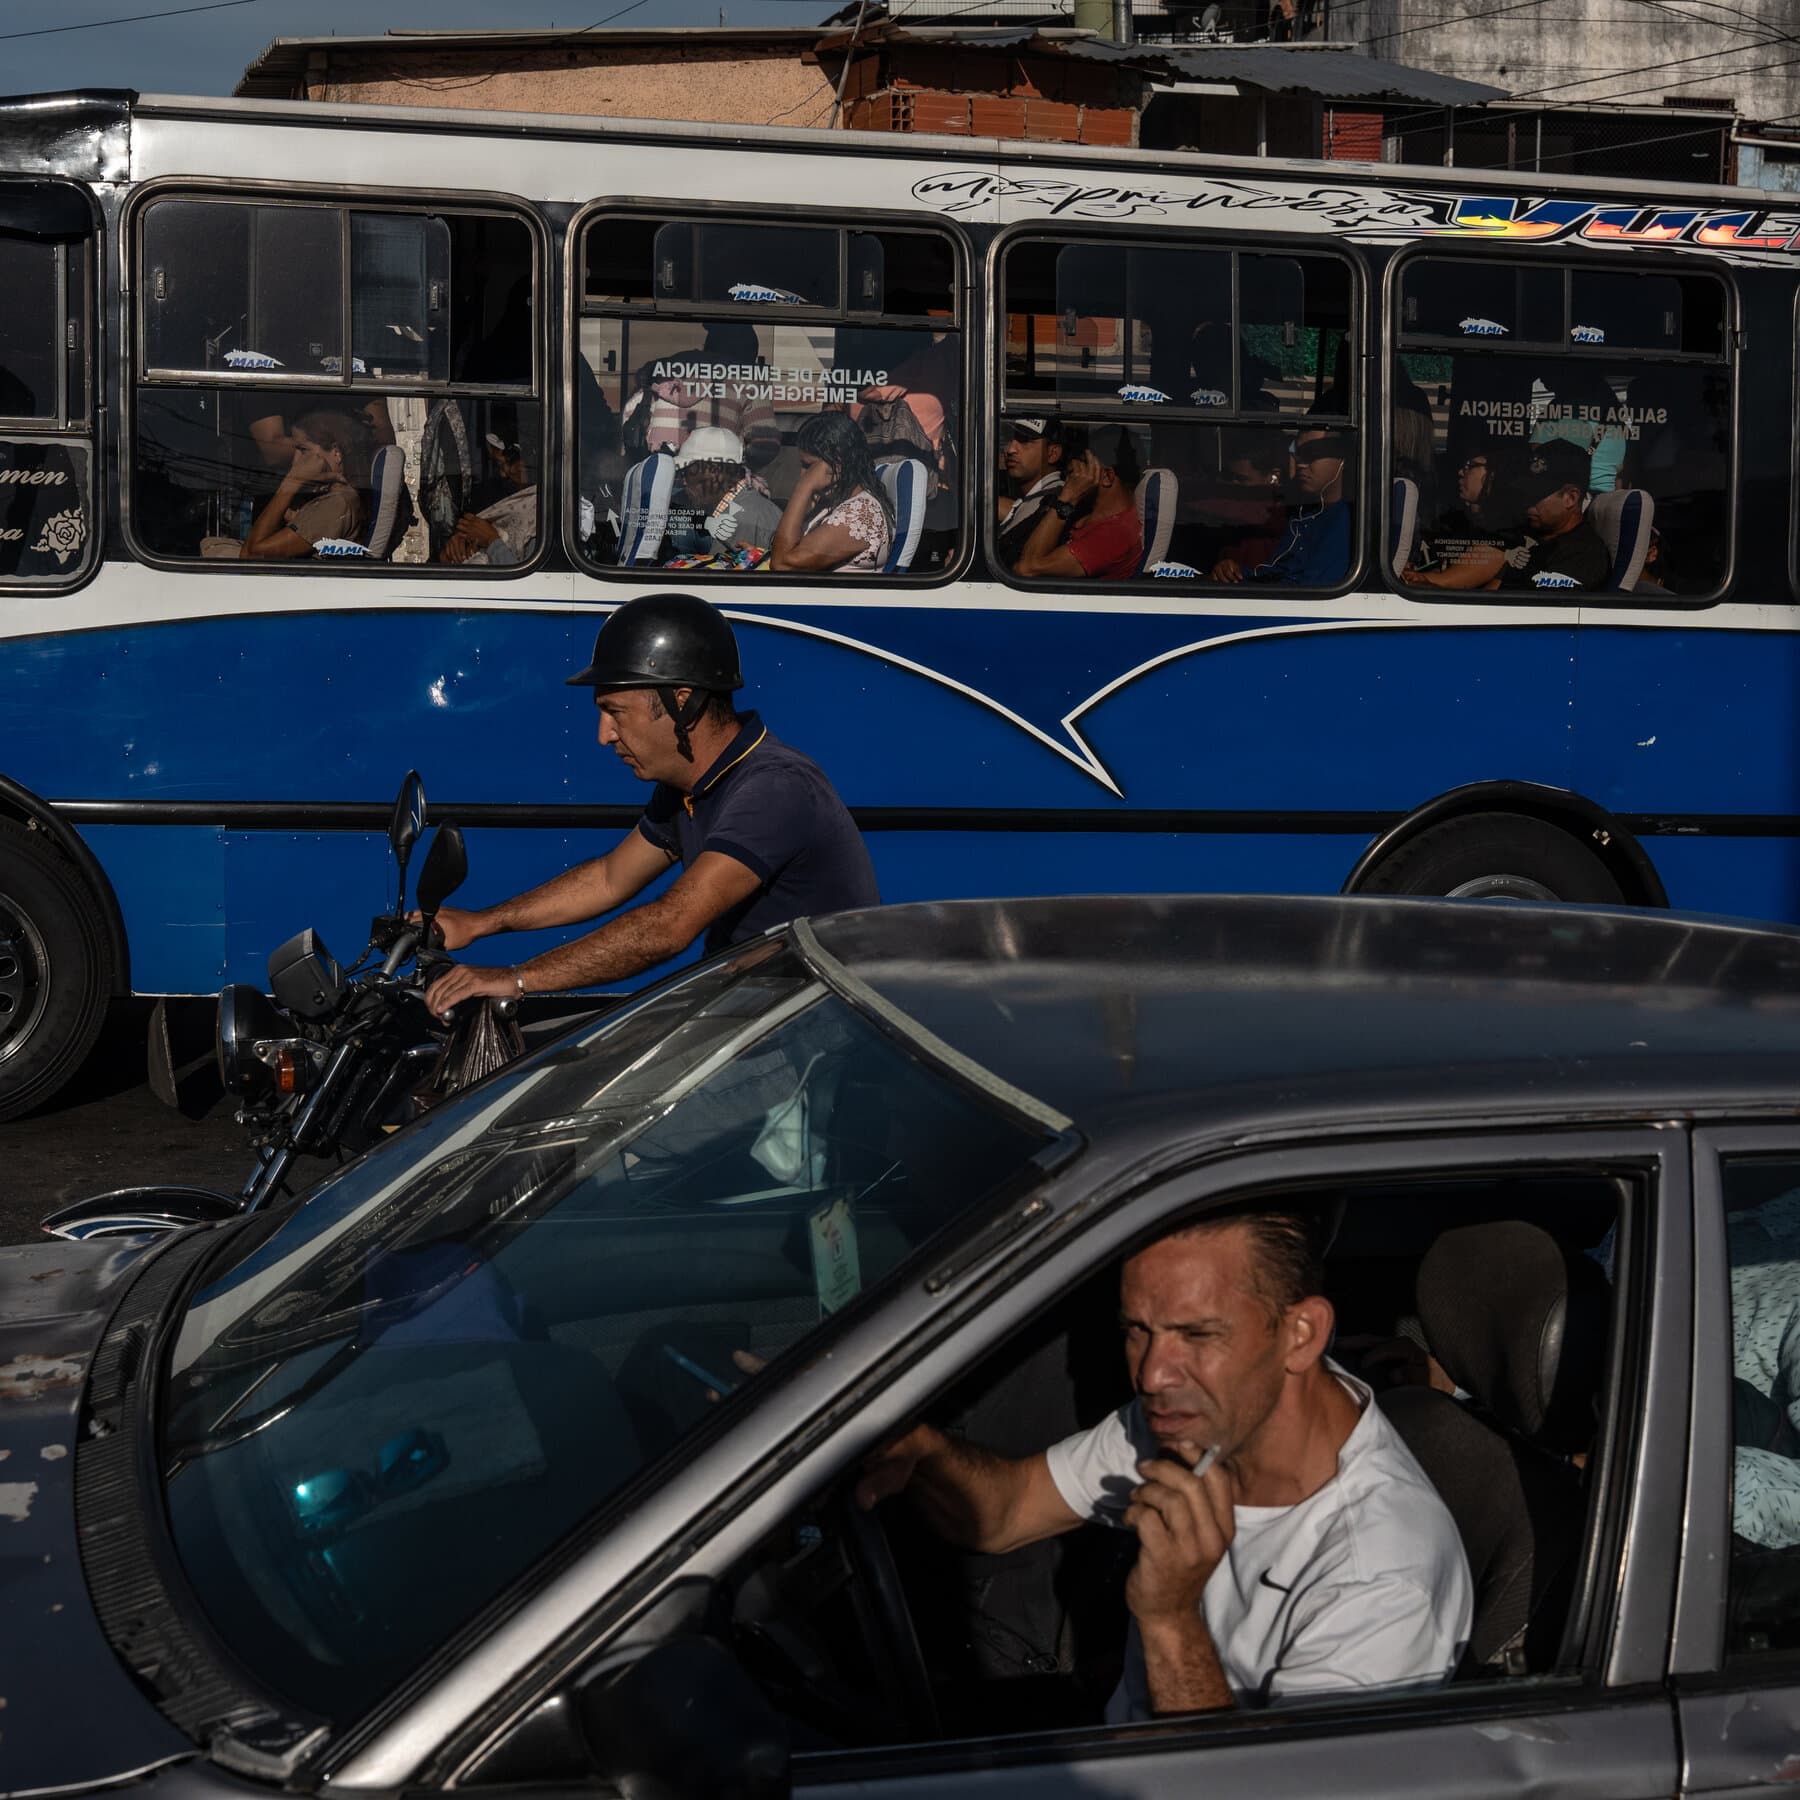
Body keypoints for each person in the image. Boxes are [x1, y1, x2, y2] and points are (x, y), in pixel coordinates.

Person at [858, 1203, 1472, 1718]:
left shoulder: (1381, 1578)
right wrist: (923, 1452)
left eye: (1198, 1335)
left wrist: (1170, 1619)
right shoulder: (1205, 1417)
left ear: (1302, 1335)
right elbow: (1007, 1511)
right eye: (1136, 1331)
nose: (1152, 1373)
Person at [420, 594, 879, 1018]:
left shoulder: (775, 787)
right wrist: (480, 923)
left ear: (682, 702)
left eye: (615, 711)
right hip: (757, 1010)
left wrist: (516, 979)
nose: (603, 735)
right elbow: (609, 878)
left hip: (817, 1032)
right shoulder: (688, 784)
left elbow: (670, 925)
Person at [623, 320, 780, 471]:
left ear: (708, 345)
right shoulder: (748, 380)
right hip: (710, 481)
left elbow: (628, 421)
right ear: (747, 355)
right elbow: (765, 446)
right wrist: (736, 464)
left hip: (654, 473)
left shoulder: (660, 373)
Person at [1214, 427, 1350, 586]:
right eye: (1298, 454)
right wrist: (1234, 573)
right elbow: (1276, 572)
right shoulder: (1303, 515)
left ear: (1342, 459)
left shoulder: (1345, 522)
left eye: (1313, 453)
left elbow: (1311, 591)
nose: (1301, 464)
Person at [1012, 424, 1143, 582]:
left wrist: (1069, 497)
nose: (1067, 481)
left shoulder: (1114, 537)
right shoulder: (1092, 513)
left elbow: (1026, 569)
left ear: (1107, 477)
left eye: (1073, 474)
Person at [769, 411, 896, 574]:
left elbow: (783, 566)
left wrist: (804, 487)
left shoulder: (860, 514)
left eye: (808, 466)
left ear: (837, 465)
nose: (803, 474)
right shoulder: (836, 502)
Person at [239, 409, 372, 559]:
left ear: (336, 453)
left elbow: (250, 555)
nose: (295, 461)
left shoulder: (338, 503)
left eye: (303, 450)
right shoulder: (340, 497)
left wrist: (290, 482)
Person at [1403, 431, 1514, 592]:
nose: (1461, 472)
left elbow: (1444, 581)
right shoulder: (1454, 521)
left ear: (1495, 474)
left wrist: (1415, 577)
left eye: (1470, 466)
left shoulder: (1506, 533)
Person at [1494, 440, 1608, 593]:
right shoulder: (1527, 534)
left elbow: (1531, 610)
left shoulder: (1584, 556)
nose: (1527, 502)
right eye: (1524, 492)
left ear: (1571, 498)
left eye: (1536, 494)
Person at [664, 426, 782, 567]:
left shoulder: (741, 519)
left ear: (716, 472)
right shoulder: (742, 506)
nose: (683, 481)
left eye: (688, 472)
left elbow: (717, 585)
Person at [440, 429, 537, 567]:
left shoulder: (544, 517)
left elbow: (525, 581)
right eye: (498, 466)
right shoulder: (500, 496)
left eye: (506, 464)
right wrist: (457, 546)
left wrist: (492, 541)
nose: (503, 474)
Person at [994, 417, 1078, 572]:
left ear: (1053, 453)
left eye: (1025, 441)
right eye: (1009, 440)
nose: (1010, 449)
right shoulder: (1035, 499)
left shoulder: (1053, 501)